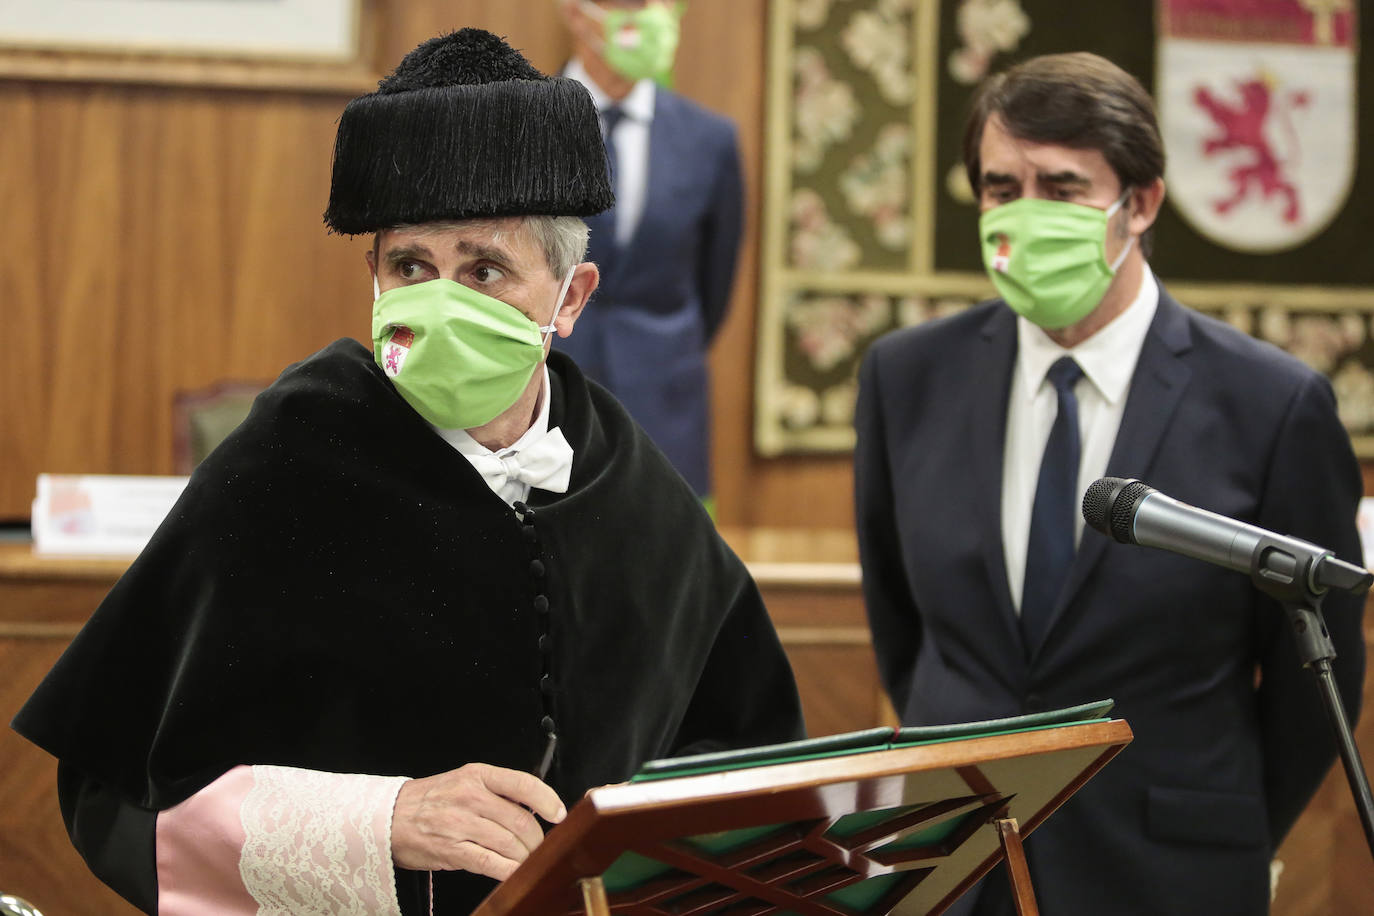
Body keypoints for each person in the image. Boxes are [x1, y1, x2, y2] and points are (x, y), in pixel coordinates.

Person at [12, 29, 803, 916]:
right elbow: (116, 795)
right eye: (411, 266)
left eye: (485, 270)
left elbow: (742, 775)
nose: (439, 303)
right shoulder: (289, 460)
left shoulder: (629, 485)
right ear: (374, 277)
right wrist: (379, 819)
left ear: (570, 299)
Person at [854, 52, 1364, 916]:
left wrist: (1231, 831)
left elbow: (1319, 678)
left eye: (1062, 187)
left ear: (1142, 203)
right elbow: (905, 627)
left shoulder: (1271, 404)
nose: (1024, 213)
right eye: (1000, 187)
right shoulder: (907, 378)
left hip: (1168, 872)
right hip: (954, 861)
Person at [553, 0, 744, 508]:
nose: (649, 15)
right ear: (576, 13)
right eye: (629, 5)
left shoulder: (711, 140)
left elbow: (715, 284)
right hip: (545, 395)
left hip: (666, 405)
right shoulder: (519, 124)